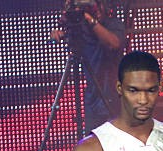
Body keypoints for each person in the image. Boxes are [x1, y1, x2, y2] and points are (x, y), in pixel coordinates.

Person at [50, 0, 126, 133]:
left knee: (116, 139)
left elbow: (113, 43)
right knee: (91, 140)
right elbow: (62, 31)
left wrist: (90, 19)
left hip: (112, 95)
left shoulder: (113, 24)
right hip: (93, 99)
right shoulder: (83, 30)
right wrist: (58, 32)